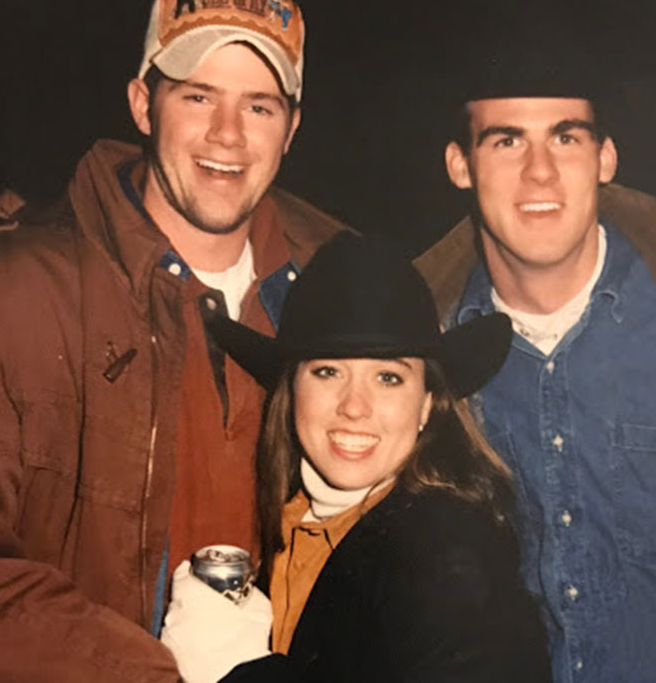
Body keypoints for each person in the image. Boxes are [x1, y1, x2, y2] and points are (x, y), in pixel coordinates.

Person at [0, 0, 347, 680]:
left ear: (292, 128)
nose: (229, 134)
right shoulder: (9, 291)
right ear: (143, 104)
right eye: (198, 96)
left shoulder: (339, 296)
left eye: (260, 105)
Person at [159, 233, 553, 683]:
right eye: (328, 372)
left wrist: (231, 668)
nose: (354, 406)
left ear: (426, 404)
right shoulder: (293, 522)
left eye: (388, 378)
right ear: (292, 392)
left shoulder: (449, 556)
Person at [414, 59, 656, 683]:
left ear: (605, 157)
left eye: (565, 137)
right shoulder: (428, 367)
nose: (541, 171)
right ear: (460, 165)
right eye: (507, 140)